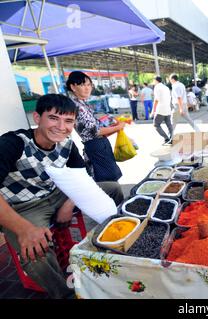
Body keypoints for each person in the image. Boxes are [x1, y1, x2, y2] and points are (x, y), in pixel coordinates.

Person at [0, 94, 124, 299]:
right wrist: (24, 230)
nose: (61, 126)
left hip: (56, 194)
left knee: (113, 189)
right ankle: (65, 294)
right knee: (35, 253)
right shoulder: (13, 143)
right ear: (37, 118)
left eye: (68, 121)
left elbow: (81, 178)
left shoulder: (67, 144)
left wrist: (68, 204)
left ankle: (113, 242)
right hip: (24, 206)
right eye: (53, 118)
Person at [66, 71, 125, 182]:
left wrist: (116, 127)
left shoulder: (83, 103)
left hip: (99, 145)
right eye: (83, 85)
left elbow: (97, 128)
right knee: (106, 180)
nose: (87, 88)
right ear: (73, 87)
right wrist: (118, 127)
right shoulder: (76, 106)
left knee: (110, 177)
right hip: (95, 147)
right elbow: (95, 131)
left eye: (89, 85)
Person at [152, 76, 174, 145]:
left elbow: (156, 100)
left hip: (160, 109)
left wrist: (153, 110)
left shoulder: (157, 87)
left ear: (156, 80)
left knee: (156, 124)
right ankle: (172, 138)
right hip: (167, 108)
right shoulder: (166, 87)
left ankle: (166, 138)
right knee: (169, 125)